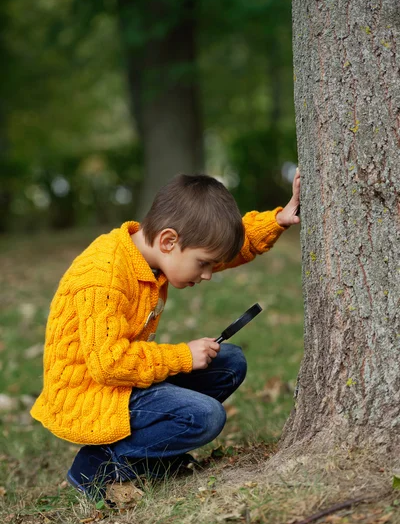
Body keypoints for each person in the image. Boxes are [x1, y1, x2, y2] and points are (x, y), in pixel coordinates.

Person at [30, 170, 300, 499]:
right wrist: (182, 356)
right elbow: (108, 364)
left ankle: (155, 457)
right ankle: (97, 464)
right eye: (203, 265)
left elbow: (223, 247)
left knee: (229, 362)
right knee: (205, 417)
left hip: (122, 380)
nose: (208, 275)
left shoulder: (153, 255)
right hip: (94, 391)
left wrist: (277, 222)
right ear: (169, 241)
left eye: (211, 266)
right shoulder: (105, 275)